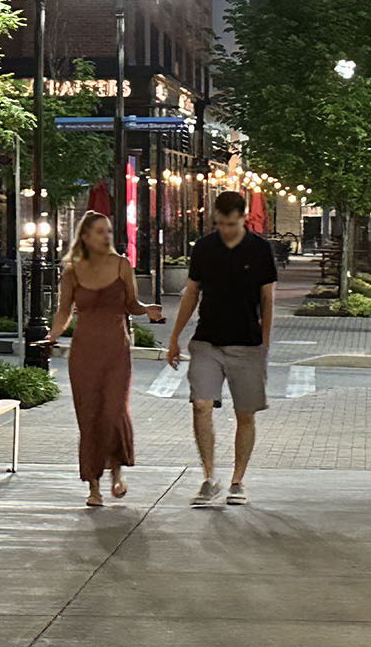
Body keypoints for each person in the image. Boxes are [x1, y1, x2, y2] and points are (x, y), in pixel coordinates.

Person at [166, 191, 278, 507]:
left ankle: (237, 481)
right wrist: (174, 337)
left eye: (231, 224)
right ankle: (208, 477)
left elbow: (267, 299)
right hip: (207, 341)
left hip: (246, 343)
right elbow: (191, 293)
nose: (226, 229)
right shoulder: (204, 248)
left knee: (245, 413)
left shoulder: (259, 250)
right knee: (201, 404)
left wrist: (264, 344)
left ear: (243, 218)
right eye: (220, 224)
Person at [45, 210, 163, 507]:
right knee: (90, 416)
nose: (106, 236)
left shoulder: (122, 265)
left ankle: (117, 472)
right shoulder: (71, 271)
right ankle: (93, 486)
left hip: (115, 350)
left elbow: (130, 304)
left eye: (108, 231)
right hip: (84, 352)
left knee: (113, 411)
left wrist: (146, 309)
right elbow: (64, 311)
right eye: (100, 231)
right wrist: (51, 335)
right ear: (85, 236)